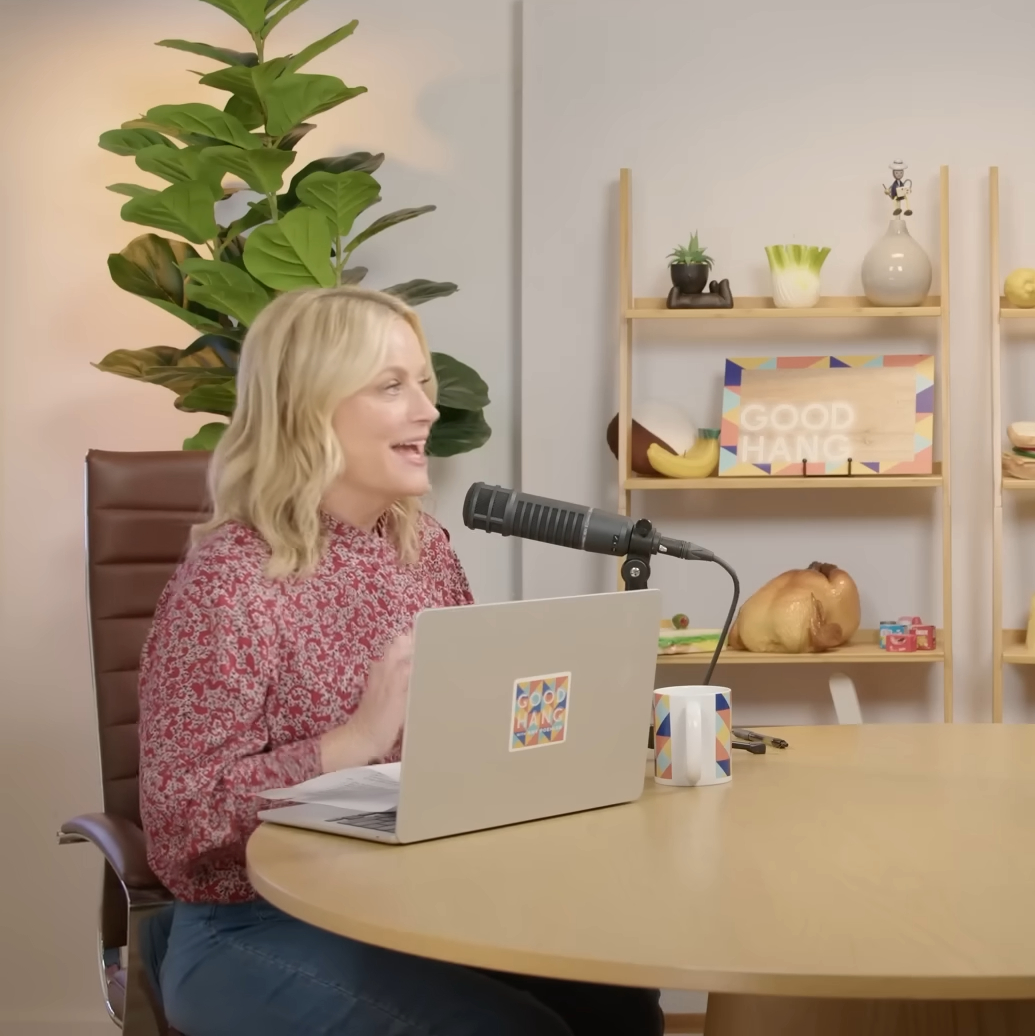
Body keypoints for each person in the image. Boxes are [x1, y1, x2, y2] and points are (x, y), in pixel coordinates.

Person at [136, 286, 666, 1036]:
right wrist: (351, 741)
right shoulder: (230, 580)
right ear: (308, 407)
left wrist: (579, 727)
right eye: (392, 386)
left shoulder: (420, 548)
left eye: (424, 382)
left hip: (404, 905)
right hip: (251, 926)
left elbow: (463, 739)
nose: (426, 410)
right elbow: (180, 822)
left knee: (618, 1003)